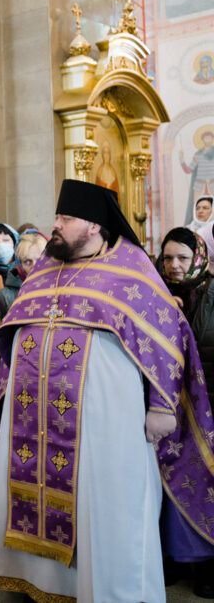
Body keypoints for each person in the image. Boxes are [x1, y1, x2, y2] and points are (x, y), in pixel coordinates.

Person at [0, 180, 214, 602]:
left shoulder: (131, 270)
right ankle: (41, 583)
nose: (56, 224)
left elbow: (168, 338)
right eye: (57, 216)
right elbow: (12, 328)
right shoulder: (44, 271)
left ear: (93, 225)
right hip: (34, 415)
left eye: (65, 218)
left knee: (102, 503)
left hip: (105, 418)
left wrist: (162, 406)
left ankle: (107, 590)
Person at [155, 227, 214, 598]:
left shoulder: (211, 293)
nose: (174, 265)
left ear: (199, 258)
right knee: (167, 483)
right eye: (168, 258)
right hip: (166, 408)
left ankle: (207, 565)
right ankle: (172, 560)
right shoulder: (152, 293)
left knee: (206, 484)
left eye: (183, 257)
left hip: (208, 409)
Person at [0, 230, 48, 320]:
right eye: (27, 262)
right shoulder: (3, 297)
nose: (34, 267)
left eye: (40, 260)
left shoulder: (63, 290)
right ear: (19, 266)